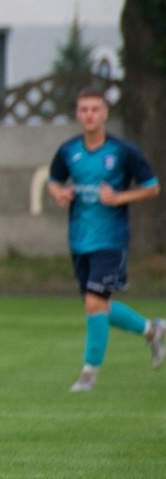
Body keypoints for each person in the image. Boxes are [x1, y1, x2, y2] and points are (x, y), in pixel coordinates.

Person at [46, 89, 164, 391]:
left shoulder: (122, 151)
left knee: (94, 302)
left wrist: (119, 197)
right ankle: (153, 331)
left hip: (111, 240)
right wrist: (59, 192)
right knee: (98, 307)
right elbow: (54, 180)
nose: (89, 114)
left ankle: (88, 374)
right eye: (84, 109)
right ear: (77, 114)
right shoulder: (68, 150)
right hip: (79, 239)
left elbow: (152, 187)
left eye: (95, 109)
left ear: (105, 113)